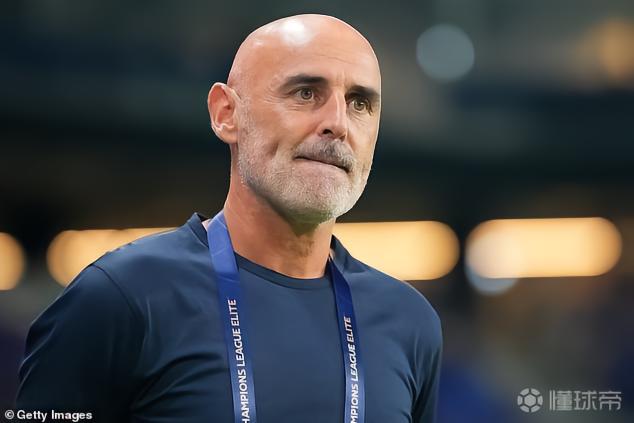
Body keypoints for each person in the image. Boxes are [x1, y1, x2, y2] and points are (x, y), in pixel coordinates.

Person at [16, 14, 442, 423]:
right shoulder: (120, 298)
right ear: (226, 113)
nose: (337, 123)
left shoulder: (410, 323)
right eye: (305, 93)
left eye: (359, 103)